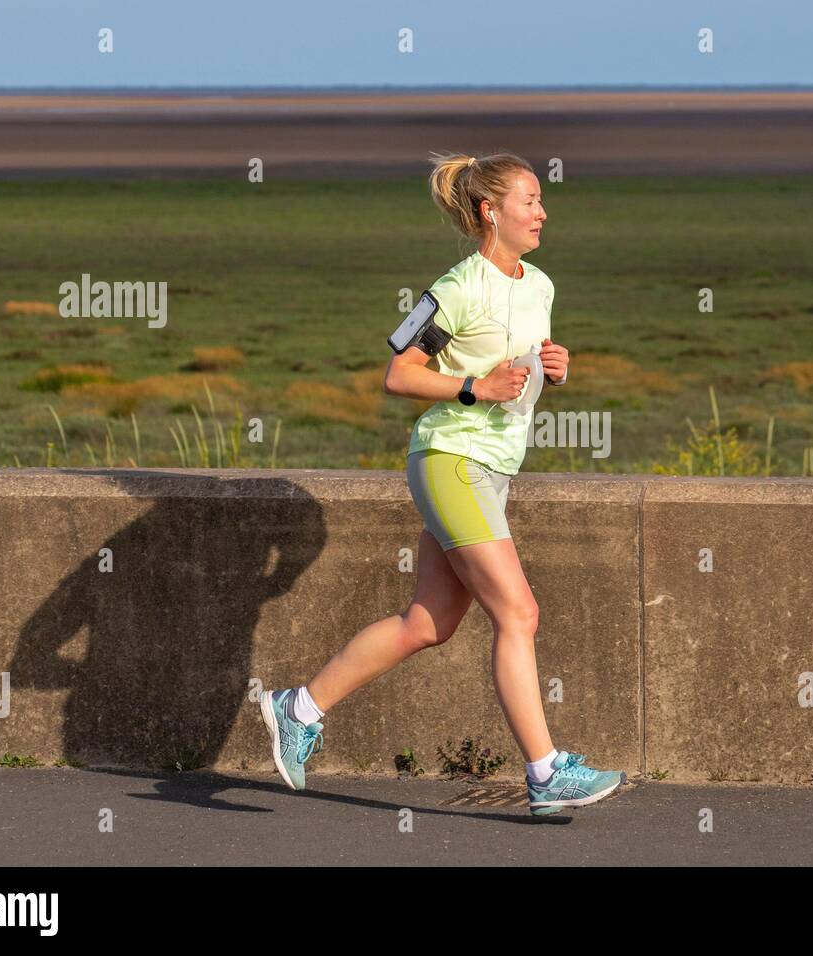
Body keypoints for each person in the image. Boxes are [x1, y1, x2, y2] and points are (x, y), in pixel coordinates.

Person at [260, 151, 626, 816]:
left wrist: (553, 366)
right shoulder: (456, 288)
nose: (542, 212)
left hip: (494, 470)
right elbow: (399, 373)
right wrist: (474, 387)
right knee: (520, 613)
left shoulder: (539, 287)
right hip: (450, 460)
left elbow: (517, 370)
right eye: (529, 201)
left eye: (542, 201)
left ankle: (299, 707)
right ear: (491, 212)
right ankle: (545, 774)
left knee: (428, 623)